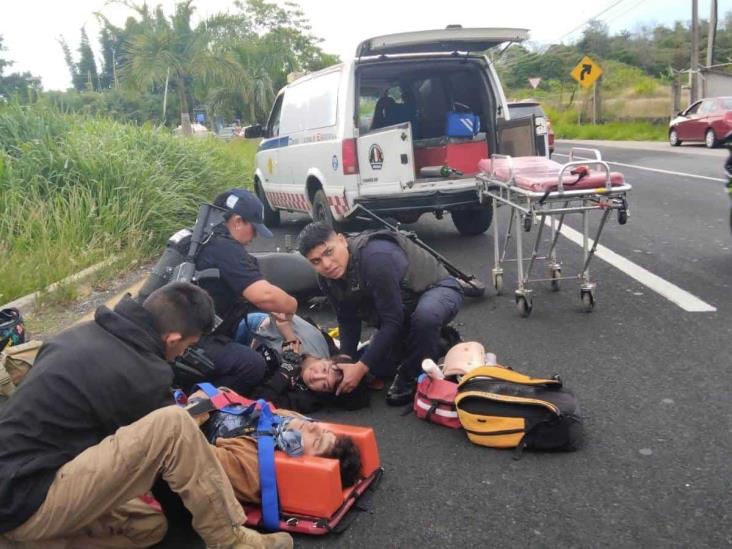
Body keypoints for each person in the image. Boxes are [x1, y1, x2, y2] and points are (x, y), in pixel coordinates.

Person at [0, 282, 292, 549]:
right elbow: (168, 462)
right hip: (28, 500)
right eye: (188, 347)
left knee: (148, 527)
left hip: (17, 489)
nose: (181, 356)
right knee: (174, 425)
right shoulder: (145, 372)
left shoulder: (79, 335)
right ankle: (230, 540)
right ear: (173, 338)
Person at [297, 222, 464, 407]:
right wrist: (346, 360)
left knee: (425, 317)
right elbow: (347, 319)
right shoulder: (326, 278)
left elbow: (392, 321)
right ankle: (439, 343)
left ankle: (411, 374)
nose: (326, 264)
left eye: (329, 252)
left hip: (436, 290)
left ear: (341, 240)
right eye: (316, 261)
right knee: (376, 365)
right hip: (401, 308)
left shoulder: (375, 258)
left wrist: (360, 369)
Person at [194, 188, 298, 395]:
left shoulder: (196, 239)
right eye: (255, 229)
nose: (255, 237)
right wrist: (292, 305)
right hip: (192, 341)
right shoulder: (225, 247)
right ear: (238, 221)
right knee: (254, 365)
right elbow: (266, 296)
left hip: (176, 330)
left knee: (252, 322)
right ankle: (204, 407)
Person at [190, 394, 362, 504]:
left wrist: (194, 411)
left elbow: (187, 448)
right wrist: (213, 396)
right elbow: (233, 398)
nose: (314, 427)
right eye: (324, 431)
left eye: (317, 442)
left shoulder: (253, 469)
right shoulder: (290, 423)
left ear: (307, 465)